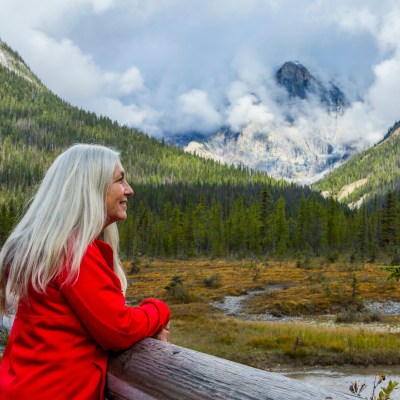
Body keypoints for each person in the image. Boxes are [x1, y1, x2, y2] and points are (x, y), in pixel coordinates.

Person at [0, 144, 170, 399]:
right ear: (91, 187)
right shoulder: (74, 252)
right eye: (120, 180)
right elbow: (119, 329)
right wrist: (159, 309)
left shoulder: (53, 246)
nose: (129, 190)